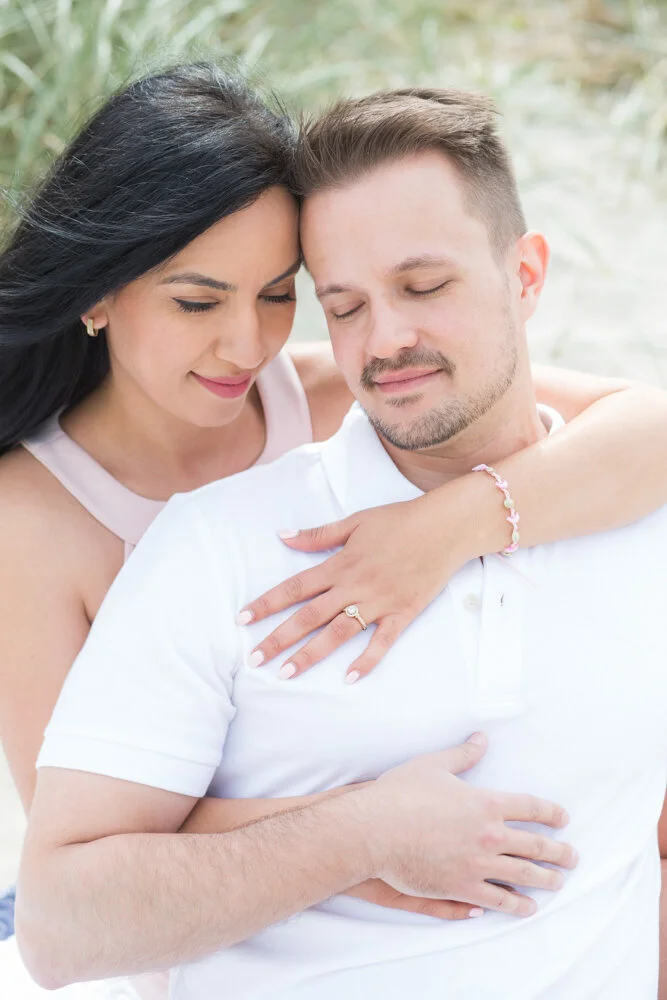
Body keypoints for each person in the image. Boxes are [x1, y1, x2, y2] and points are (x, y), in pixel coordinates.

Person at [15, 86, 667, 999]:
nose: (244, 346)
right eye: (346, 304)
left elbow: (649, 426)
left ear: (524, 278)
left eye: (282, 296)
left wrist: (453, 526)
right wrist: (369, 833)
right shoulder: (149, 538)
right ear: (100, 299)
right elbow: (71, 894)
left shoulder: (329, 394)